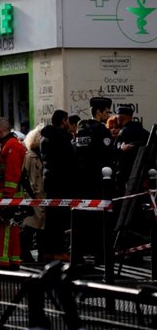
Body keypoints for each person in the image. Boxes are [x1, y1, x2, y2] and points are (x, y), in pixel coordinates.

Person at [73, 97, 114, 263]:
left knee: (83, 217)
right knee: (100, 219)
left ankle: (82, 252)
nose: (108, 115)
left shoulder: (82, 130)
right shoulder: (101, 130)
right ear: (98, 112)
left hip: (83, 181)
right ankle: (100, 253)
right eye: (106, 111)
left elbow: (78, 153)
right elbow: (108, 155)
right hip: (99, 181)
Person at [38, 110, 76, 262]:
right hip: (62, 182)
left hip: (50, 181)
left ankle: (49, 251)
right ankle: (59, 251)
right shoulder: (61, 139)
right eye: (67, 120)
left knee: (51, 219)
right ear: (63, 121)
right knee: (60, 220)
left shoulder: (45, 138)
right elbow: (68, 162)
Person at [0, 117, 25, 269]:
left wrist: (7, 197)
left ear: (0, 130)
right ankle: (13, 259)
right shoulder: (8, 145)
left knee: (5, 230)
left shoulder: (12, 146)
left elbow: (12, 174)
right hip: (6, 195)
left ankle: (2, 260)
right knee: (11, 229)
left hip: (7, 196)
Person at [19, 123, 46, 263]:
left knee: (41, 226)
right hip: (33, 195)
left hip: (42, 196)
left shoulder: (43, 155)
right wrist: (29, 193)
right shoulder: (29, 156)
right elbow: (23, 176)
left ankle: (40, 253)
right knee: (30, 225)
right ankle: (24, 252)